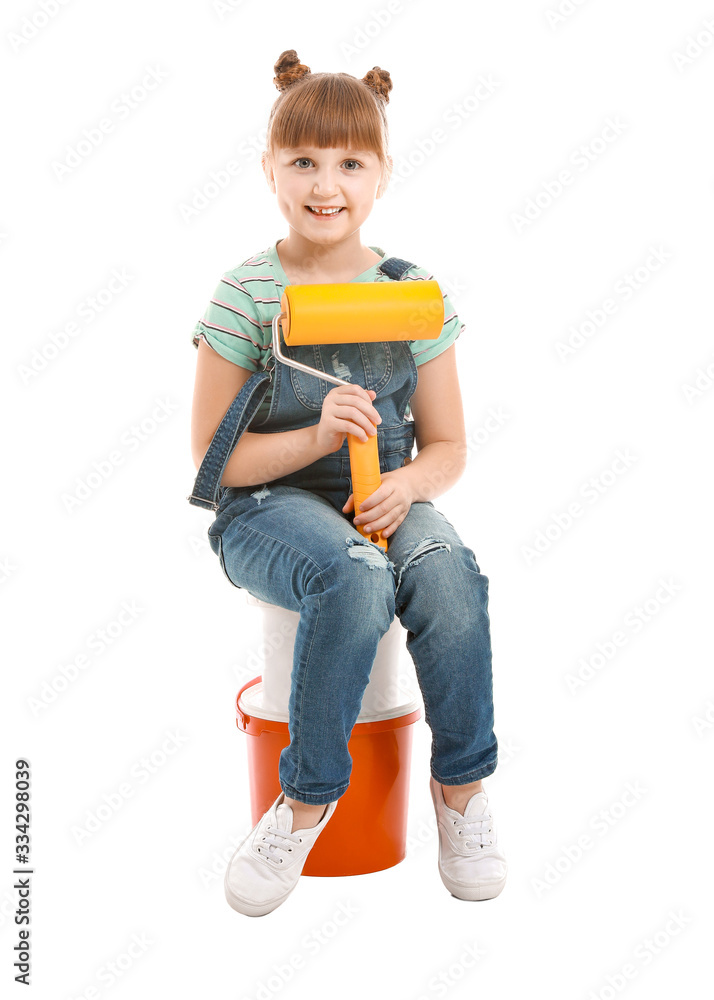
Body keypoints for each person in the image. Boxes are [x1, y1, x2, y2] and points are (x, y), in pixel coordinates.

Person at [188, 49, 507, 917]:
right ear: (270, 170)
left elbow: (447, 447)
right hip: (263, 508)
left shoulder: (412, 295)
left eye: (350, 163)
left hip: (382, 492)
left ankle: (462, 792)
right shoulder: (246, 295)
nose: (326, 184)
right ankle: (306, 799)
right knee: (354, 573)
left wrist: (407, 486)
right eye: (303, 161)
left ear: (382, 175)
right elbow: (216, 466)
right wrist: (317, 434)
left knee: (446, 569)